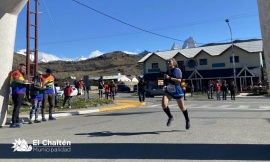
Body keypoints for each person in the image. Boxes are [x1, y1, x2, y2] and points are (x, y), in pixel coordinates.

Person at [162, 58, 190, 130]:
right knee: (164, 105)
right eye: (167, 62)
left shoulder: (177, 70)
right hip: (169, 90)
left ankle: (187, 120)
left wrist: (170, 78)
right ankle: (170, 117)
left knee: (182, 108)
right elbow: (166, 81)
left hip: (177, 90)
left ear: (173, 63)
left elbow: (179, 80)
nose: (168, 63)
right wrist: (165, 86)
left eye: (169, 61)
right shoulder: (167, 71)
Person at [10, 63, 28, 128]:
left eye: (25, 68)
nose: (24, 69)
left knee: (18, 107)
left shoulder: (21, 74)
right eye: (23, 68)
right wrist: (24, 82)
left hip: (20, 92)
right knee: (17, 107)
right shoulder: (16, 72)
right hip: (17, 92)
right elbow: (16, 80)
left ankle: (17, 121)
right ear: (19, 67)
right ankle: (13, 122)